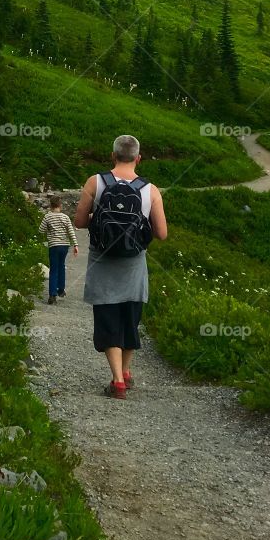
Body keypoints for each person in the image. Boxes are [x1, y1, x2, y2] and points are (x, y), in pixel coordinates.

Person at [74, 134, 167, 399]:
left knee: (108, 319)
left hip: (102, 263)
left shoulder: (96, 182)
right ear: (138, 158)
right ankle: (125, 372)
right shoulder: (150, 190)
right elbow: (161, 233)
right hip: (134, 266)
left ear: (112, 156)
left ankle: (117, 381)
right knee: (130, 319)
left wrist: (98, 216)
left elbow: (80, 222)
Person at [38, 196, 78, 303]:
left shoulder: (47, 217)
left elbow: (41, 230)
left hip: (53, 246)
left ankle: (52, 295)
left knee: (53, 269)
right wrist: (76, 245)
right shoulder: (65, 217)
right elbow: (71, 232)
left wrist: (49, 230)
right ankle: (61, 289)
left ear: (51, 205)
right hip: (64, 246)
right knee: (61, 266)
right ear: (60, 205)